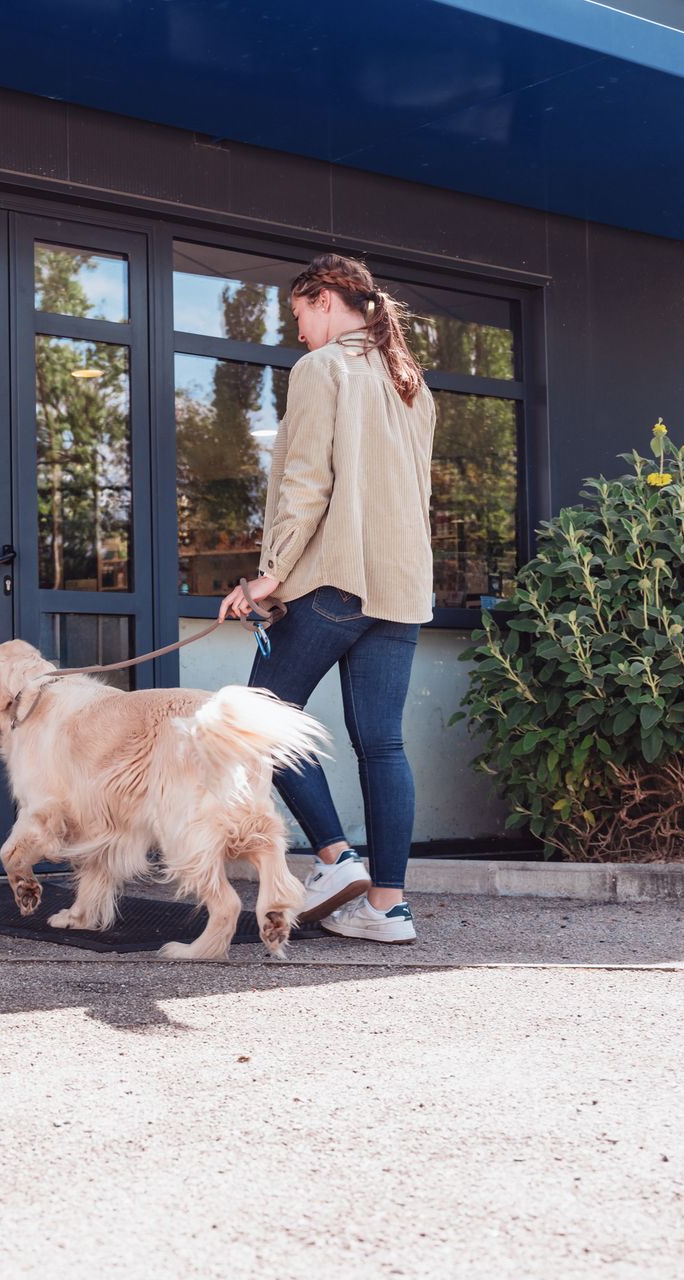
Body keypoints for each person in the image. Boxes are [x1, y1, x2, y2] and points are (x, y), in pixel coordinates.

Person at [218, 253, 435, 944]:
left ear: (325, 299)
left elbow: (306, 483)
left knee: (256, 720)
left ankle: (338, 860)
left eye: (300, 315)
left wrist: (268, 577)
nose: (299, 333)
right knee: (383, 743)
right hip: (400, 587)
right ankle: (388, 908)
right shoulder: (409, 382)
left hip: (336, 579)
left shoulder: (322, 371)